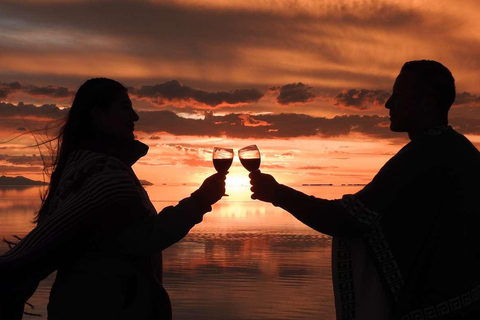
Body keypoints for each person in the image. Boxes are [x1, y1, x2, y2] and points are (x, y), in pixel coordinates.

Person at [249, 60, 480, 319]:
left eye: (399, 95)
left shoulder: (423, 155)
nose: (388, 103)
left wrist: (278, 194)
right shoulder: (463, 150)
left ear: (428, 102)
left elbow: (349, 219)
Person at [0, 78, 226, 320]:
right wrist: (200, 201)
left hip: (77, 305)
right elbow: (144, 238)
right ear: (98, 115)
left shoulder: (79, 167)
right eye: (125, 107)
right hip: (106, 308)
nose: (136, 117)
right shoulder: (104, 174)